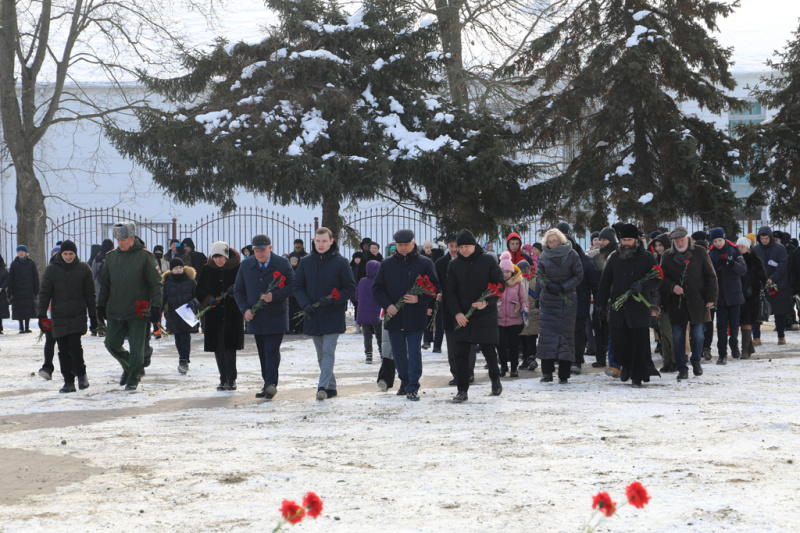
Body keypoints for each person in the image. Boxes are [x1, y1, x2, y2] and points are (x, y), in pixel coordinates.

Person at [372, 229, 439, 401]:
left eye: (406, 245)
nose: (403, 248)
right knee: (399, 352)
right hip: (394, 317)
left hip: (415, 316)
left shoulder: (424, 263)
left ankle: (413, 386)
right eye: (399, 245)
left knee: (414, 352)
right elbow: (377, 289)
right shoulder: (386, 264)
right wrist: (388, 305)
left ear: (413, 244)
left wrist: (419, 299)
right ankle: (404, 381)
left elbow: (434, 288)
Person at [98, 222, 163, 390]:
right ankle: (130, 367)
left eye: (124, 239)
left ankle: (133, 379)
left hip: (138, 310)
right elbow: (105, 284)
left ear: (132, 238)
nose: (121, 243)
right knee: (111, 343)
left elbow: (156, 284)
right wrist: (101, 305)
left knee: (136, 348)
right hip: (115, 310)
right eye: (118, 239)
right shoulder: (111, 257)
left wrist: (156, 307)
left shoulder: (145, 256)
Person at [293, 227, 356, 401]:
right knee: (321, 354)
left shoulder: (341, 262)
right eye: (318, 241)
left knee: (328, 351)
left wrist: (335, 300)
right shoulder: (306, 262)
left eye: (324, 241)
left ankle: (322, 387)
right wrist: (305, 304)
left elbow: (350, 287)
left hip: (333, 314)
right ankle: (332, 387)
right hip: (313, 314)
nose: (321, 244)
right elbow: (297, 286)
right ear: (314, 241)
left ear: (331, 241)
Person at [596, 224, 661, 387]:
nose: (626, 243)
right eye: (624, 240)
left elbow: (657, 278)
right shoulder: (614, 257)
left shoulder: (646, 257)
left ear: (636, 240)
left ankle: (637, 376)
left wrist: (643, 286)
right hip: (618, 308)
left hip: (638, 309)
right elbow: (604, 283)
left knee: (639, 345)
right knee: (619, 343)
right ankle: (625, 365)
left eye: (629, 240)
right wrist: (600, 305)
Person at [445, 229, 505, 403]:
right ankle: (462, 390)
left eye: (467, 246)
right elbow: (450, 292)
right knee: (461, 354)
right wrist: (457, 313)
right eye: (460, 247)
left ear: (474, 246)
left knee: (489, 351)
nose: (463, 250)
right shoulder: (454, 265)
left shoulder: (487, 260)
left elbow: (499, 284)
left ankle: (495, 379)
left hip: (485, 314)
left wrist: (487, 301)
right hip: (464, 316)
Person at [234, 234, 294, 399]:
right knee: (262, 351)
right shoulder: (246, 265)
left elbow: (292, 286)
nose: (259, 254)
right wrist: (245, 310)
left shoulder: (282, 264)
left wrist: (273, 296)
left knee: (271, 350)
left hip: (276, 316)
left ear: (270, 248)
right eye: (256, 251)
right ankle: (267, 383)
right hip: (256, 317)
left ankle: (271, 384)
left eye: (263, 250)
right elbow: (238, 290)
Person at [36, 240, 97, 393]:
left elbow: (90, 295)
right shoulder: (51, 270)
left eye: (71, 254)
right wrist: (41, 314)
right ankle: (68, 381)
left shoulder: (84, 268)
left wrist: (94, 316)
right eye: (65, 254)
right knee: (63, 349)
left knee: (75, 346)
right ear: (61, 254)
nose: (68, 257)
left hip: (77, 314)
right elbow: (44, 294)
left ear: (75, 254)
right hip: (59, 315)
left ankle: (82, 374)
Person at [659, 226, 717, 381]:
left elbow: (710, 275)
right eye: (676, 241)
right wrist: (672, 287)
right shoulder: (667, 256)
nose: (679, 243)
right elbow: (661, 278)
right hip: (677, 304)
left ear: (687, 238)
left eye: (681, 240)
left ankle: (696, 360)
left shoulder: (700, 252)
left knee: (698, 335)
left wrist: (711, 297)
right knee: (677, 337)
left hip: (698, 301)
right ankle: (682, 368)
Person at [537, 228, 583, 384]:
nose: (552, 244)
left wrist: (564, 287)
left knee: (565, 337)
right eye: (549, 241)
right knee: (546, 337)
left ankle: (564, 373)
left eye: (555, 241)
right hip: (548, 301)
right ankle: (547, 373)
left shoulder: (572, 254)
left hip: (566, 301)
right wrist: (548, 286)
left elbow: (578, 275)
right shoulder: (543, 256)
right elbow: (539, 276)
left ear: (561, 240)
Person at [197, 241, 245, 390]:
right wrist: (207, 299)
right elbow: (199, 290)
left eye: (221, 257)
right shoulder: (206, 269)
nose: (218, 260)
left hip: (232, 313)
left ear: (226, 256)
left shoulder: (237, 268)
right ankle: (222, 378)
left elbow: (244, 287)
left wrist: (234, 291)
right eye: (215, 257)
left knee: (229, 347)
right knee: (218, 347)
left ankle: (232, 379)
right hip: (214, 314)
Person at [436, 234, 476, 385]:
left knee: (468, 343)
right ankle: (456, 374)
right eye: (451, 246)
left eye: (456, 246)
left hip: (466, 309)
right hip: (447, 308)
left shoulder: (469, 261)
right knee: (452, 344)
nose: (454, 249)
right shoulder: (440, 263)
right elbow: (436, 282)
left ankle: (468, 373)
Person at [707, 228, 747, 364]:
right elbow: (707, 273)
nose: (718, 243)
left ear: (725, 239)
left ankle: (734, 343)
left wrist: (731, 263)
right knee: (721, 326)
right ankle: (722, 354)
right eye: (715, 241)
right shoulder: (711, 253)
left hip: (734, 294)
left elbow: (743, 270)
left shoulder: (734, 250)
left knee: (735, 324)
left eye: (720, 240)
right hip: (720, 296)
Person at [752, 226, 791, 345]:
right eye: (762, 238)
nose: (764, 240)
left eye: (766, 238)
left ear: (770, 238)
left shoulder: (780, 248)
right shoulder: (756, 249)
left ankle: (781, 335)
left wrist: (772, 279)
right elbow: (753, 266)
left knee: (779, 312)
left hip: (777, 283)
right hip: (760, 284)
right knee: (756, 311)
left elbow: (782, 265)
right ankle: (756, 337)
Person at [162, 257, 199, 374]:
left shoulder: (191, 281)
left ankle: (183, 361)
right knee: (178, 338)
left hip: (187, 314)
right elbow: (163, 298)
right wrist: (159, 310)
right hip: (174, 314)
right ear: (171, 270)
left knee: (185, 337)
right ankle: (183, 358)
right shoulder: (167, 283)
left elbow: (198, 295)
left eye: (180, 268)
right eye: (176, 268)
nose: (178, 270)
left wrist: (193, 302)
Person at [497, 252, 528, 377]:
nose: (505, 275)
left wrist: (524, 311)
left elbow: (523, 300)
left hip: (514, 320)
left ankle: (514, 368)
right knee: (501, 346)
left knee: (514, 346)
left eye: (507, 272)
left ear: (512, 272)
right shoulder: (497, 284)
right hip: (499, 320)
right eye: (502, 272)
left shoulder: (518, 283)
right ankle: (503, 367)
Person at [590, 227, 617, 368]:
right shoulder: (596, 257)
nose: (601, 242)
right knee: (599, 327)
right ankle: (600, 358)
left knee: (612, 330)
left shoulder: (617, 255)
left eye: (604, 240)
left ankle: (614, 359)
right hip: (599, 297)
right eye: (600, 240)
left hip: (613, 297)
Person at [737, 237, 766, 359]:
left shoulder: (755, 260)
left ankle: (744, 350)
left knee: (747, 321)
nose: (740, 249)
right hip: (737, 294)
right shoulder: (736, 259)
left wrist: (754, 288)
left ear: (748, 248)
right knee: (741, 321)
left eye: (742, 247)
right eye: (738, 247)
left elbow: (763, 277)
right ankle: (749, 347)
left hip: (750, 296)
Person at [355, 260, 382, 364]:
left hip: (364, 314)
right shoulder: (379, 281)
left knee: (367, 336)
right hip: (377, 314)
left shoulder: (362, 281)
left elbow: (357, 296)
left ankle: (368, 356)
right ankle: (382, 355)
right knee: (379, 335)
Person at [7, 245, 39, 333]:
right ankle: (21, 327)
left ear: (26, 253)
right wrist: (10, 291)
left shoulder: (31, 263)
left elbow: (35, 276)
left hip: (29, 290)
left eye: (22, 251)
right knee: (20, 309)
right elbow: (10, 278)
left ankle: (27, 327)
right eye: (19, 251)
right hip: (17, 291)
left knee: (28, 309)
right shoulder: (14, 264)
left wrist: (36, 289)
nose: (20, 253)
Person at [0, 255, 9, 334]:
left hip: (1, 293)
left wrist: (1, 287)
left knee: (0, 311)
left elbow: (6, 279)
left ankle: (0, 327)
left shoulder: (3, 270)